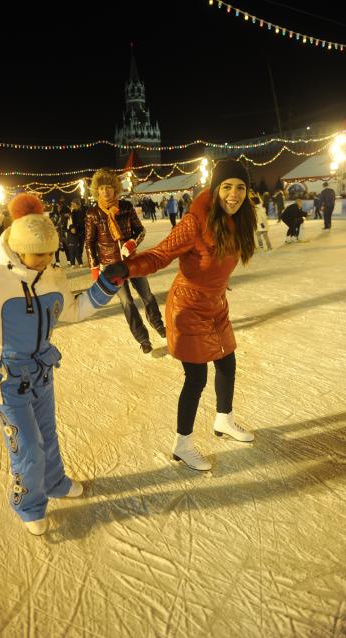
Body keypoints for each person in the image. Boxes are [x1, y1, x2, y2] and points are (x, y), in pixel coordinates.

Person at [0, 193, 120, 535]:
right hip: (4, 380)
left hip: (40, 373)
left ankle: (54, 482)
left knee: (47, 435)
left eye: (50, 253)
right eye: (39, 254)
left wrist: (105, 285)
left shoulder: (53, 275)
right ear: (18, 247)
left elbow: (72, 310)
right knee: (27, 445)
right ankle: (28, 503)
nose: (46, 260)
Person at [103, 159, 256, 471]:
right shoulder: (195, 222)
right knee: (196, 377)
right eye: (227, 187)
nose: (234, 194)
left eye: (240, 187)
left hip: (215, 305)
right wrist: (127, 267)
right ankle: (182, 445)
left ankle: (224, 419)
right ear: (215, 190)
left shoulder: (241, 219)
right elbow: (161, 254)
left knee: (227, 361)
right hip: (188, 307)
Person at [85, 168, 166, 354]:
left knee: (147, 295)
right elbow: (89, 242)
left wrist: (131, 243)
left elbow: (141, 230)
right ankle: (143, 339)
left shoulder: (127, 207)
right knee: (127, 302)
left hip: (132, 262)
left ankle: (158, 325)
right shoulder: (93, 213)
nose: (106, 191)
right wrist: (94, 267)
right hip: (112, 266)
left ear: (116, 189)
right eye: (102, 188)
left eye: (109, 187)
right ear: (97, 190)